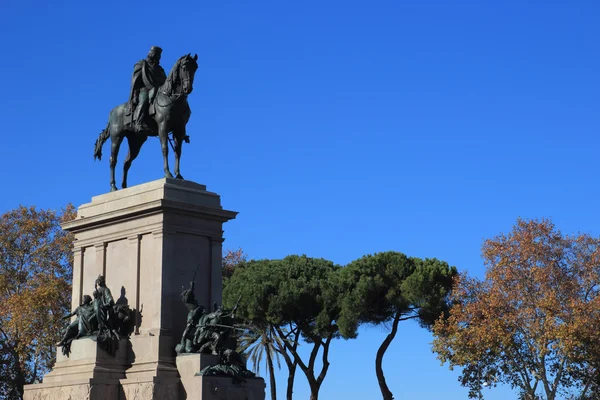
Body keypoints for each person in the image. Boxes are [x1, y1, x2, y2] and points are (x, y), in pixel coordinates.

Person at [129, 46, 167, 132]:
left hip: (159, 90)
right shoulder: (141, 64)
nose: (157, 56)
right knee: (144, 101)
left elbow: (165, 81)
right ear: (151, 53)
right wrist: (135, 95)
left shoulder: (160, 69)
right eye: (156, 53)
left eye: (159, 55)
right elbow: (135, 81)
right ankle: (138, 123)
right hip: (144, 89)